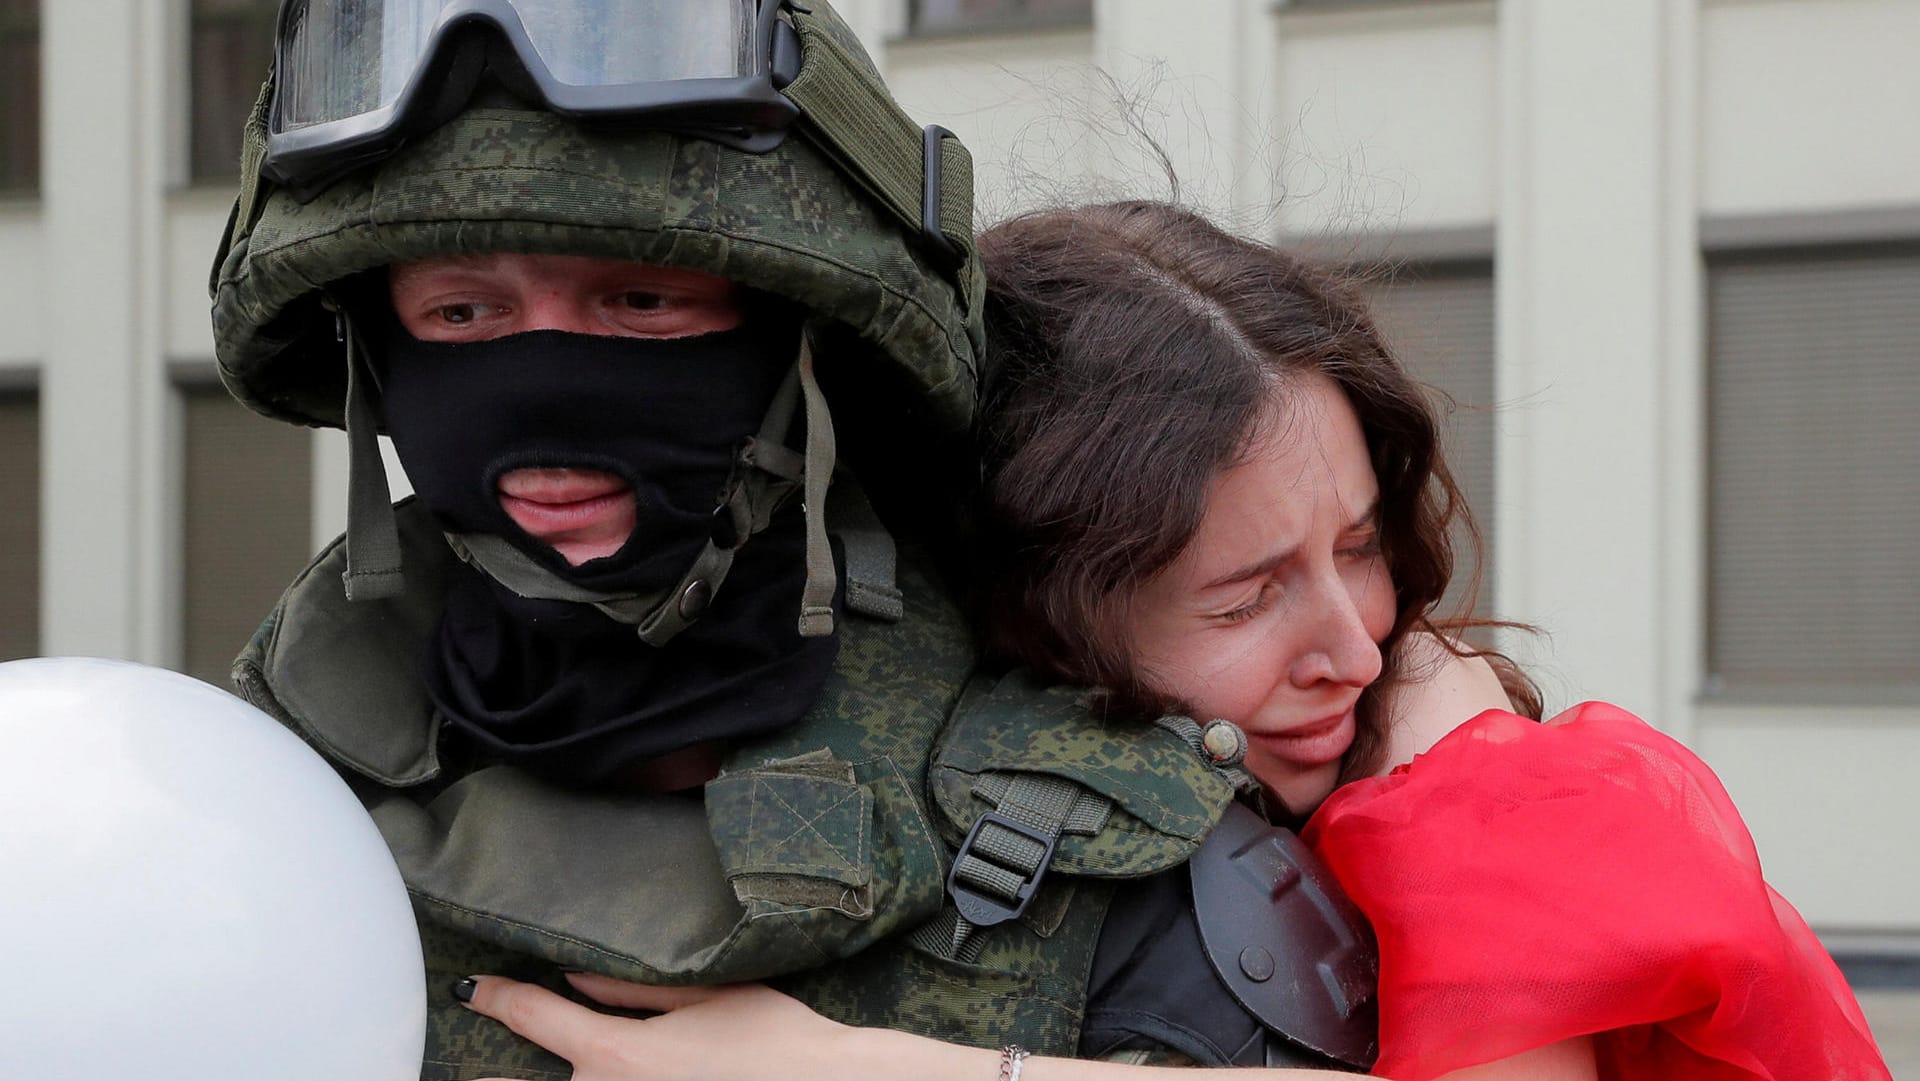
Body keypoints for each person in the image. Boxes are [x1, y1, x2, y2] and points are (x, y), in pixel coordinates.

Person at [210, 7, 1394, 1079]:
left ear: (804, 347)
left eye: (643, 303)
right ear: (382, 356)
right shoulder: (239, 805)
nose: (547, 393)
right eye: (464, 313)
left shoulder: (1116, 835)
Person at [447, 202, 1892, 1081]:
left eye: (1357, 546)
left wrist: (853, 1062)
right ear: (1032, 618)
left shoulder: (1458, 759)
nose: (1354, 639)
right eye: (1247, 593)